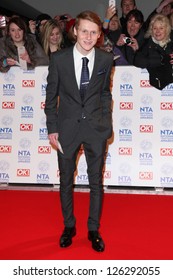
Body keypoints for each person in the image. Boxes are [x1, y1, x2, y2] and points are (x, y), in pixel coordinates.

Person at [44, 10, 114, 252]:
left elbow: (105, 93)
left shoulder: (106, 59)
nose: (88, 36)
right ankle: (69, 226)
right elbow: (50, 96)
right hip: (66, 130)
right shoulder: (59, 59)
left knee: (96, 182)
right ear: (75, 31)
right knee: (66, 181)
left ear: (99, 35)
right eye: (84, 30)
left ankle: (93, 229)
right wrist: (52, 128)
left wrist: (106, 123)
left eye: (93, 32)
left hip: (96, 129)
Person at [134, 14, 173, 89]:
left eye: (161, 28)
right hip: (153, 88)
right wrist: (160, 60)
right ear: (151, 30)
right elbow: (137, 61)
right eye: (155, 28)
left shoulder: (171, 42)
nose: (157, 31)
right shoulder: (147, 43)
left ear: (167, 29)